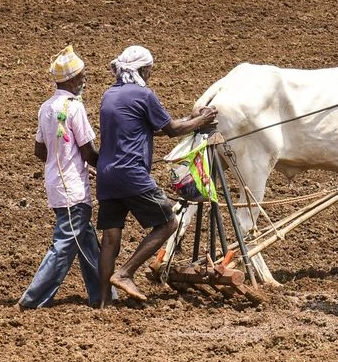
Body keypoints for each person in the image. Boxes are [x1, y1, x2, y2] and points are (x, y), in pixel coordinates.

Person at [96, 45, 217, 308]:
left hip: (106, 175)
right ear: (142, 69)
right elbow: (172, 130)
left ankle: (104, 301)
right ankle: (125, 273)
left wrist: (191, 120)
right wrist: (202, 119)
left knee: (111, 238)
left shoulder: (109, 95)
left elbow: (148, 128)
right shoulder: (144, 94)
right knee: (168, 223)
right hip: (132, 174)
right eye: (149, 69)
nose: (151, 73)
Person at [17, 45, 114, 310]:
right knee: (63, 245)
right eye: (81, 75)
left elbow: (40, 150)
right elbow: (88, 150)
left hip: (56, 185)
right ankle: (33, 299)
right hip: (73, 188)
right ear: (71, 79)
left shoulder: (45, 107)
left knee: (85, 241)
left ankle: (103, 296)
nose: (84, 80)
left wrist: (61, 159)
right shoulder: (74, 107)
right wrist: (106, 168)